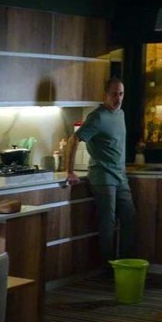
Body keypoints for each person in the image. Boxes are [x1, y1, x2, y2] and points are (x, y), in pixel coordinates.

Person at [65, 78, 136, 261]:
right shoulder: (97, 117)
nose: (118, 98)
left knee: (129, 218)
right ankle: (108, 266)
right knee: (107, 223)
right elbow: (74, 139)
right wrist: (69, 171)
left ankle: (125, 264)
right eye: (114, 94)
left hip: (120, 176)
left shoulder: (120, 114)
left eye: (121, 94)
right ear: (106, 95)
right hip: (103, 177)